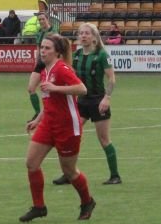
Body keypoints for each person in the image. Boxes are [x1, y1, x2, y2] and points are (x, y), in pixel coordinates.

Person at [19, 34, 95, 222]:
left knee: (69, 171)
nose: (42, 51)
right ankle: (39, 207)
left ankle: (87, 201)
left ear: (57, 52)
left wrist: (56, 88)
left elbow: (82, 88)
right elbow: (49, 102)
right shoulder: (45, 71)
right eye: (41, 48)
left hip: (67, 126)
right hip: (48, 124)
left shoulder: (62, 69)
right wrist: (38, 119)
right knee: (31, 163)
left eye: (47, 48)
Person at [52, 23, 121, 185]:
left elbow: (111, 79)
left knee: (104, 139)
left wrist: (107, 98)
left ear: (94, 36)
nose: (83, 36)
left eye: (87, 33)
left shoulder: (102, 54)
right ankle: (69, 173)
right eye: (81, 33)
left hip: (98, 101)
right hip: (81, 101)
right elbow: (68, 75)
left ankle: (115, 175)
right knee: (70, 137)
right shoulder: (76, 55)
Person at [25, 13, 60, 118]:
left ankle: (54, 113)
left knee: (51, 92)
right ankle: (38, 114)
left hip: (50, 64)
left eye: (42, 19)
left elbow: (59, 48)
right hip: (40, 64)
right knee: (31, 89)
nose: (41, 21)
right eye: (39, 20)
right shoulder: (39, 32)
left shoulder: (54, 32)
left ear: (47, 19)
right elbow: (38, 48)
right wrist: (36, 61)